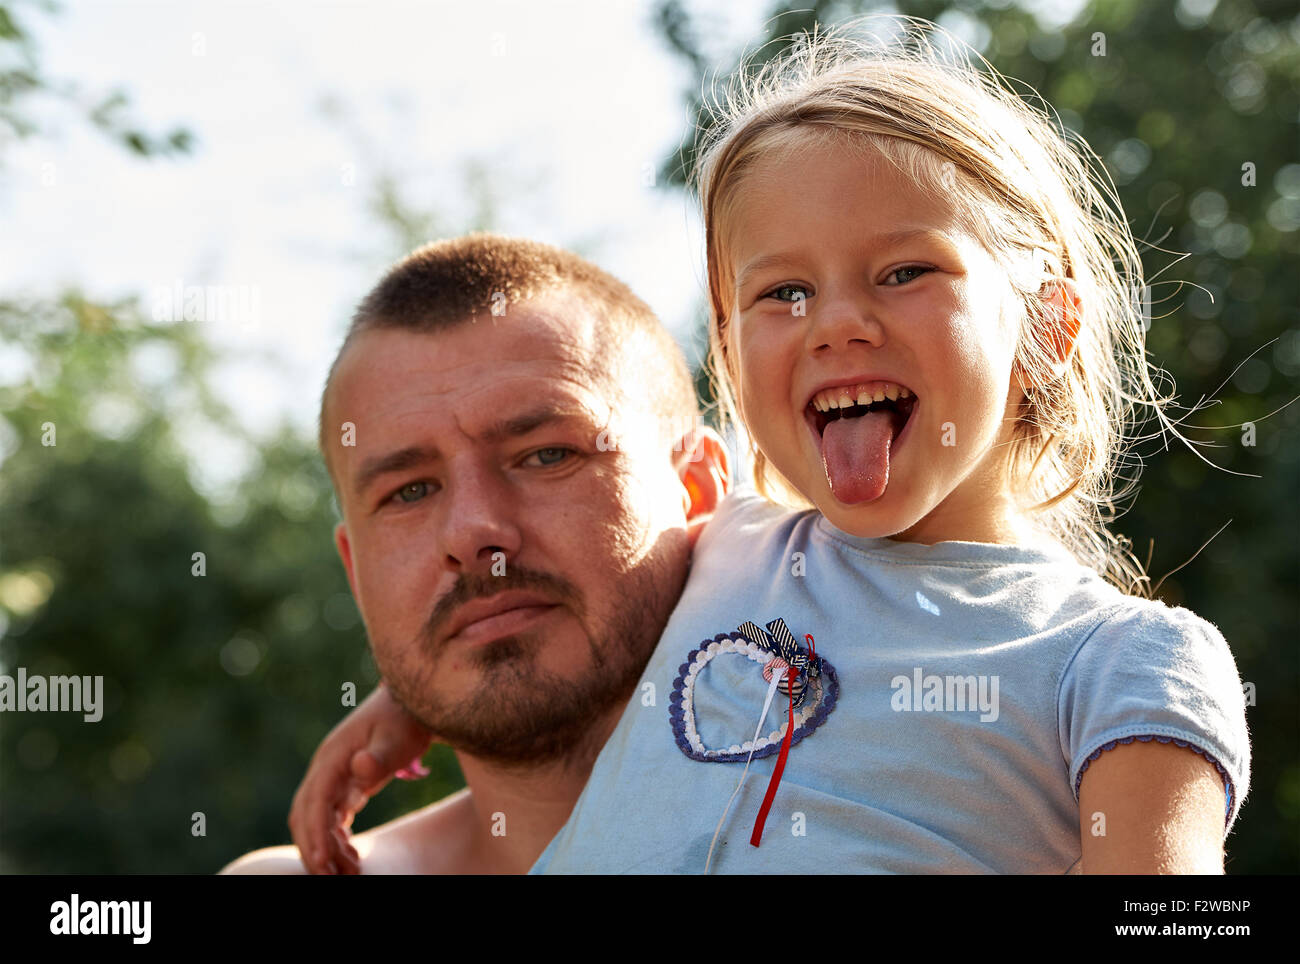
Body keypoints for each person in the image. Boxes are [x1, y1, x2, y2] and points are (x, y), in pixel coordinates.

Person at [295, 19, 1251, 874]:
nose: (835, 323)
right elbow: (527, 613)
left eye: (904, 269)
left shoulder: (1121, 661)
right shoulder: (726, 551)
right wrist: (406, 707)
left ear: (1048, 323)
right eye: (781, 292)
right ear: (731, 353)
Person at [220, 233, 730, 874]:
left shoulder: (876, 786)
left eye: (547, 454)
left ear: (697, 489)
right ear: (355, 572)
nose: (471, 531)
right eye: (408, 492)